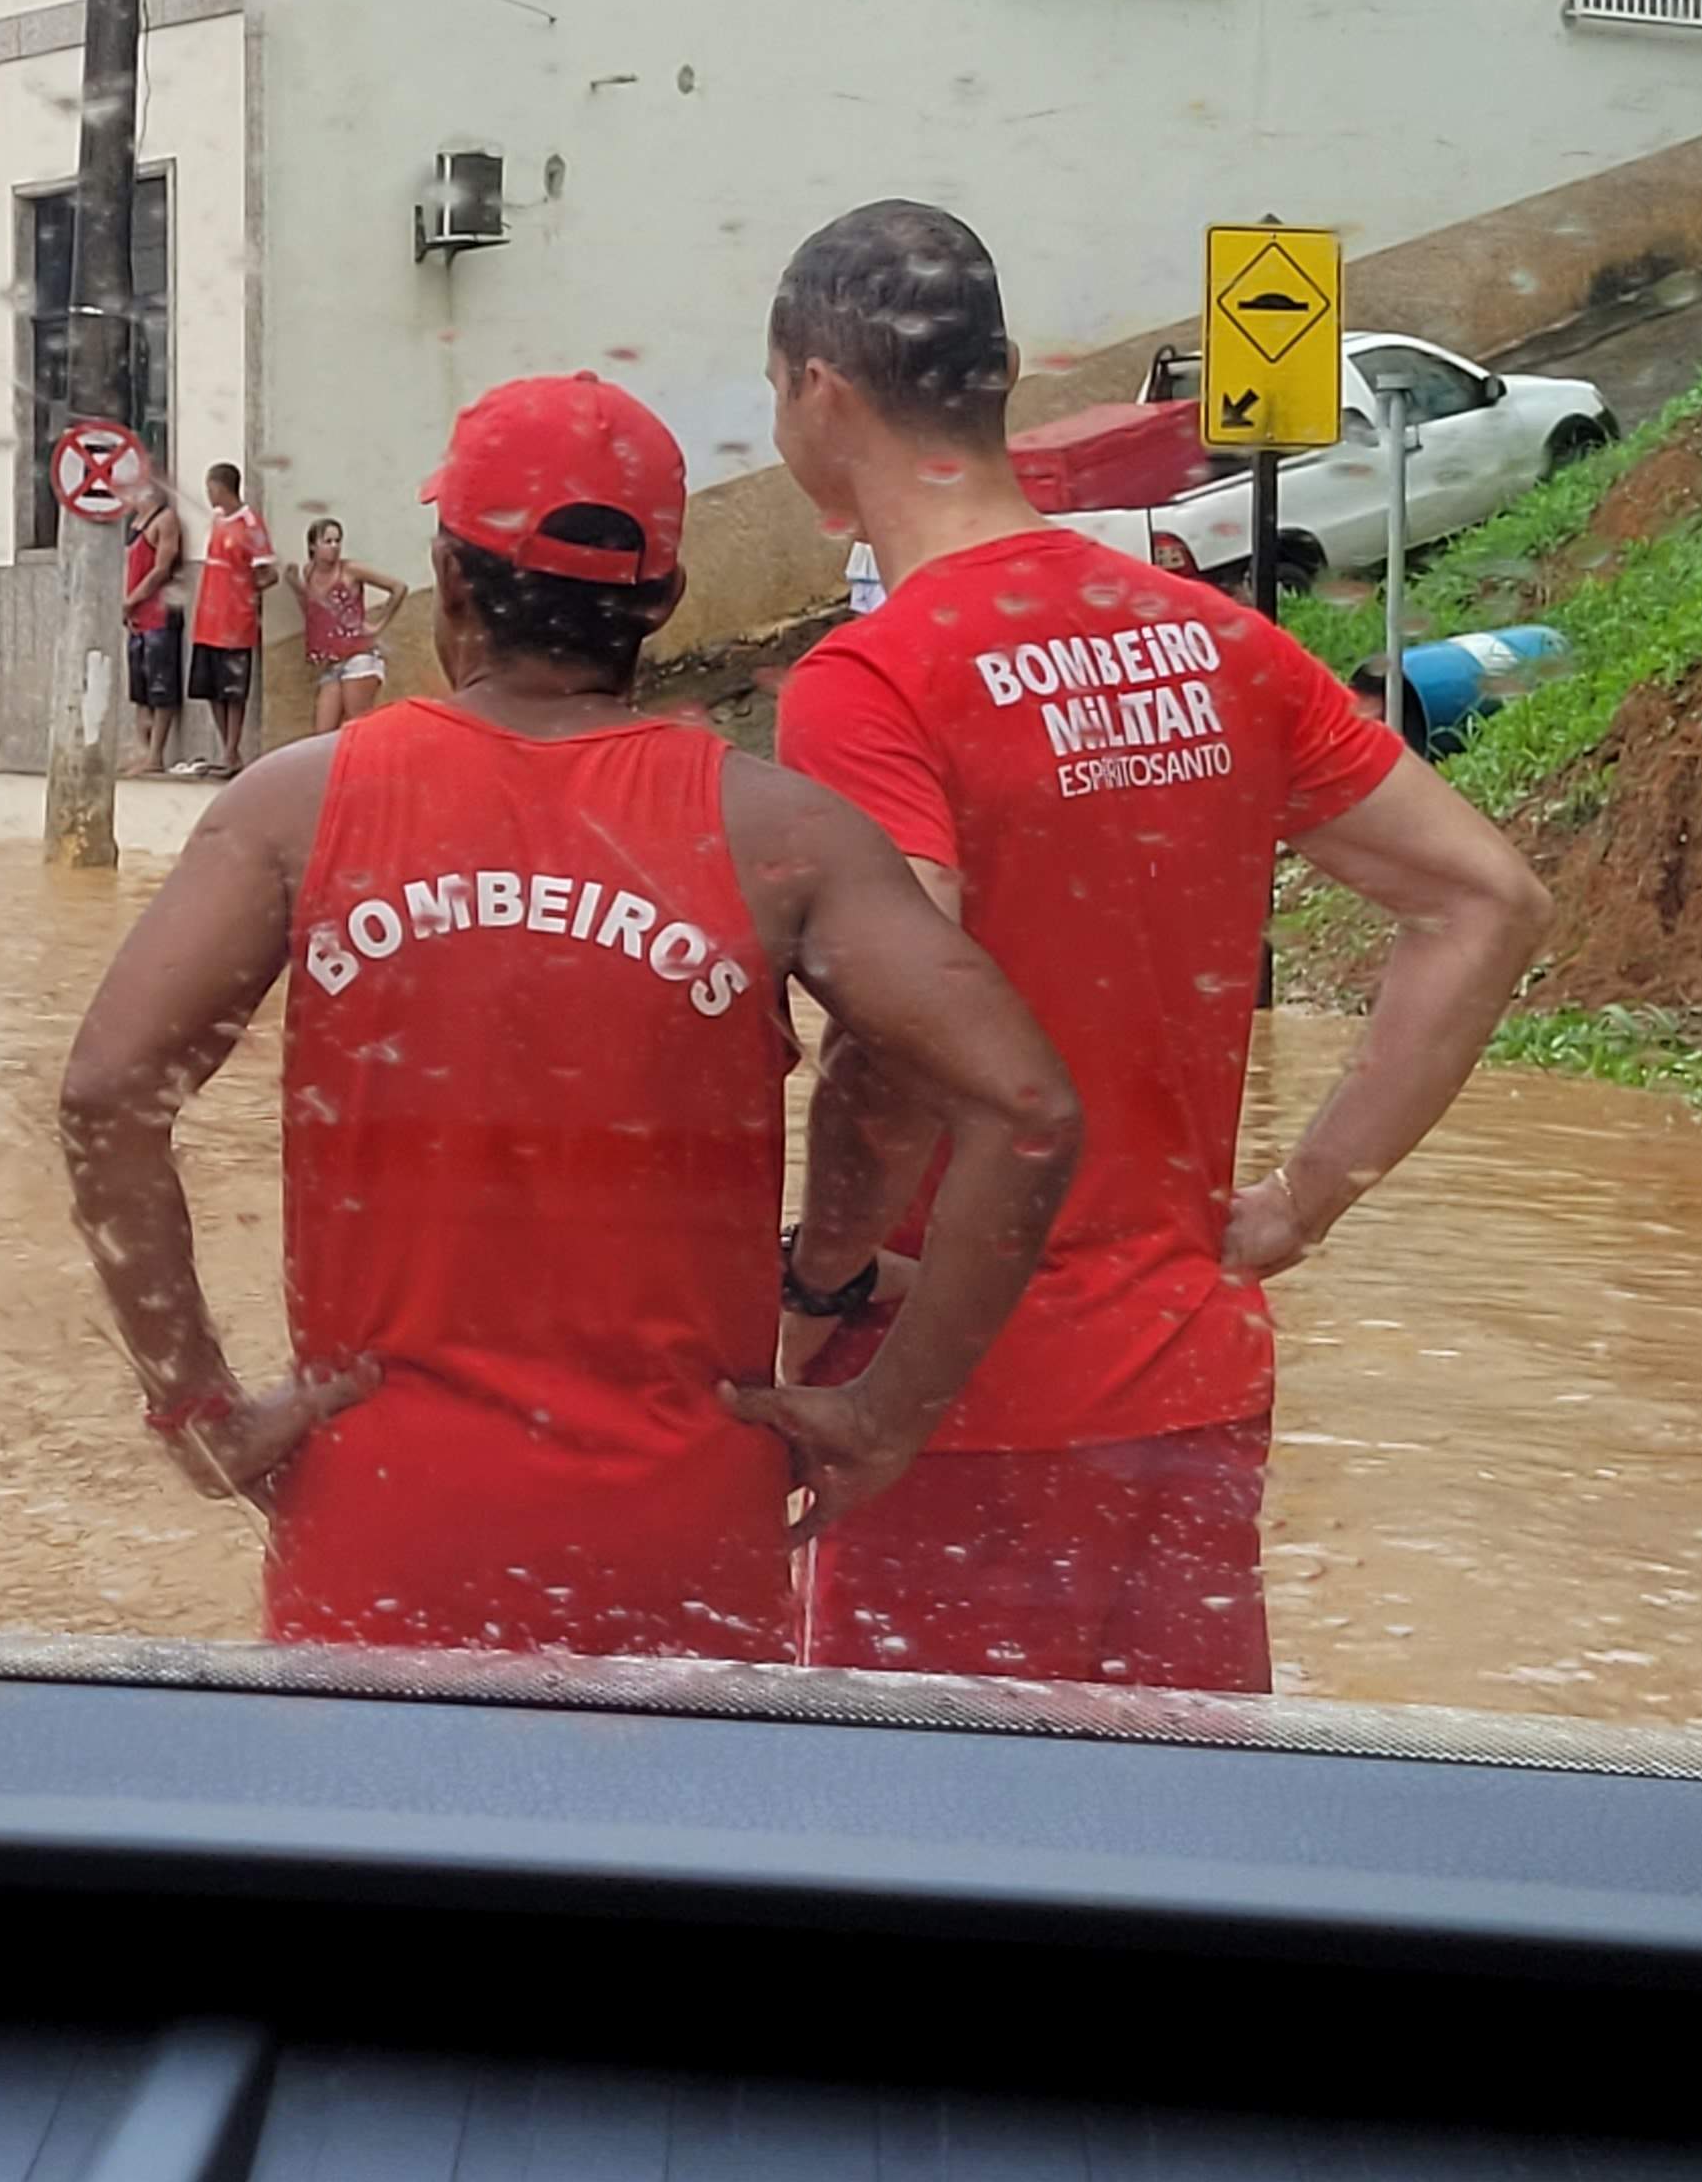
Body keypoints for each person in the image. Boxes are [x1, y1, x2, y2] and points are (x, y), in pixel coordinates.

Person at [59, 373, 1084, 1663]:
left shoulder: (295, 808)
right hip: (686, 1545)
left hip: (381, 1527)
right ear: (661, 601)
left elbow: (108, 1098)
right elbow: (1027, 1110)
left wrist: (196, 1406)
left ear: (448, 578)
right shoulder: (781, 833)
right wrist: (890, 1409)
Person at [765, 200, 1551, 1694]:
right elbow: (1486, 903)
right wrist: (1305, 1199)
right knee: (1176, 1854)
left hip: (956, 1395)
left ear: (821, 392)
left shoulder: (871, 683)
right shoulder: (1216, 640)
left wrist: (819, 1282)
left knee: (933, 1857)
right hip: (1191, 1382)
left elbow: (905, 1042)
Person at [183, 463, 278, 775]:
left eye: (210, 488)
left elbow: (268, 573)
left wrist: (242, 590)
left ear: (223, 488)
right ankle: (228, 750)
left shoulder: (250, 524)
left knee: (233, 690)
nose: (208, 494)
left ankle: (232, 749)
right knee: (210, 688)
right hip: (208, 618)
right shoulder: (217, 520)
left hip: (235, 620)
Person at [294, 517, 412, 733]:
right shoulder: (308, 573)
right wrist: (294, 586)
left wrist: (379, 624)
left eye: (337, 541)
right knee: (323, 732)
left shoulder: (350, 570)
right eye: (327, 541)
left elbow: (398, 587)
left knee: (358, 724)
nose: (334, 547)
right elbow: (313, 609)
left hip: (358, 658)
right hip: (330, 662)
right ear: (313, 545)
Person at [124, 482, 190, 775]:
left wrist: (133, 598)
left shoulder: (165, 522)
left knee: (161, 687)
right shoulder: (136, 523)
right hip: (137, 617)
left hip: (159, 613)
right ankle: (143, 751)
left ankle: (155, 754)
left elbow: (161, 570)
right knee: (140, 690)